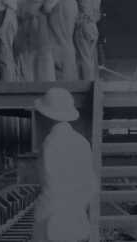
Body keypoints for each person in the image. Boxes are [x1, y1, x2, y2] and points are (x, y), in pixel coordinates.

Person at [33, 87, 97, 242]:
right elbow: (90, 185)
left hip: (54, 224)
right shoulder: (82, 142)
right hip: (77, 220)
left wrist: (40, 217)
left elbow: (51, 190)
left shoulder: (50, 144)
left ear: (48, 116)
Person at [74, 0, 102, 80]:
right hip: (93, 27)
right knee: (91, 58)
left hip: (83, 26)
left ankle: (87, 83)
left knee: (84, 58)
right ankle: (93, 81)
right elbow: (98, 16)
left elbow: (77, 13)